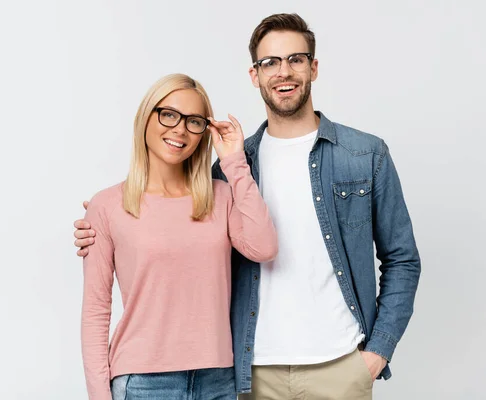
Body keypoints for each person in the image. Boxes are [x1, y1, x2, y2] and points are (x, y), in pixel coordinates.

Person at [75, 14, 421, 400]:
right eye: (270, 62)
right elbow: (162, 237)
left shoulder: (362, 155)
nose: (283, 71)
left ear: (314, 67)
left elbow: (401, 259)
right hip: (250, 371)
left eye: (295, 59)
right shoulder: (227, 172)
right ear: (255, 74)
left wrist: (377, 352)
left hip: (337, 365)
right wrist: (107, 217)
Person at [79, 73, 278, 400]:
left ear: (204, 132)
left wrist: (234, 162)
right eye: (169, 114)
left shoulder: (222, 196)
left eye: (194, 121)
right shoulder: (106, 206)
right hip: (143, 383)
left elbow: (264, 246)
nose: (180, 130)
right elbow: (96, 312)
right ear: (146, 117)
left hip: (218, 380)